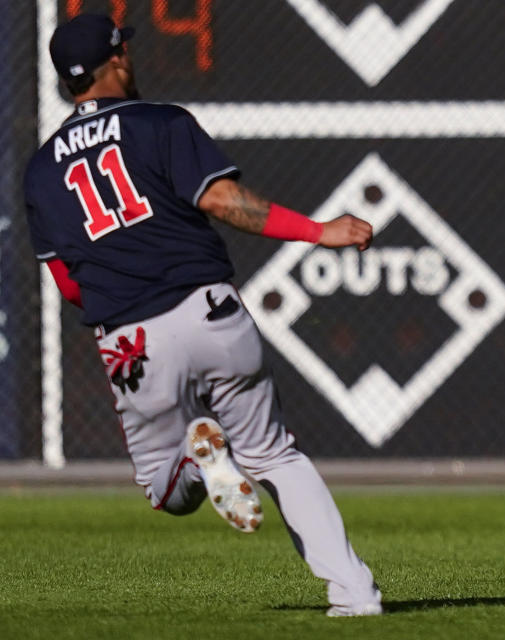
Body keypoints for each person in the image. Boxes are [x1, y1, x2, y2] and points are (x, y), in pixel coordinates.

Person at [23, 13, 382, 616]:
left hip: (132, 339)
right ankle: (354, 594)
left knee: (168, 493)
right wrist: (319, 230)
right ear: (118, 61)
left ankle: (196, 458)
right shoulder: (162, 122)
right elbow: (221, 200)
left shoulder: (41, 170)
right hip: (212, 312)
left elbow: (69, 284)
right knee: (275, 456)